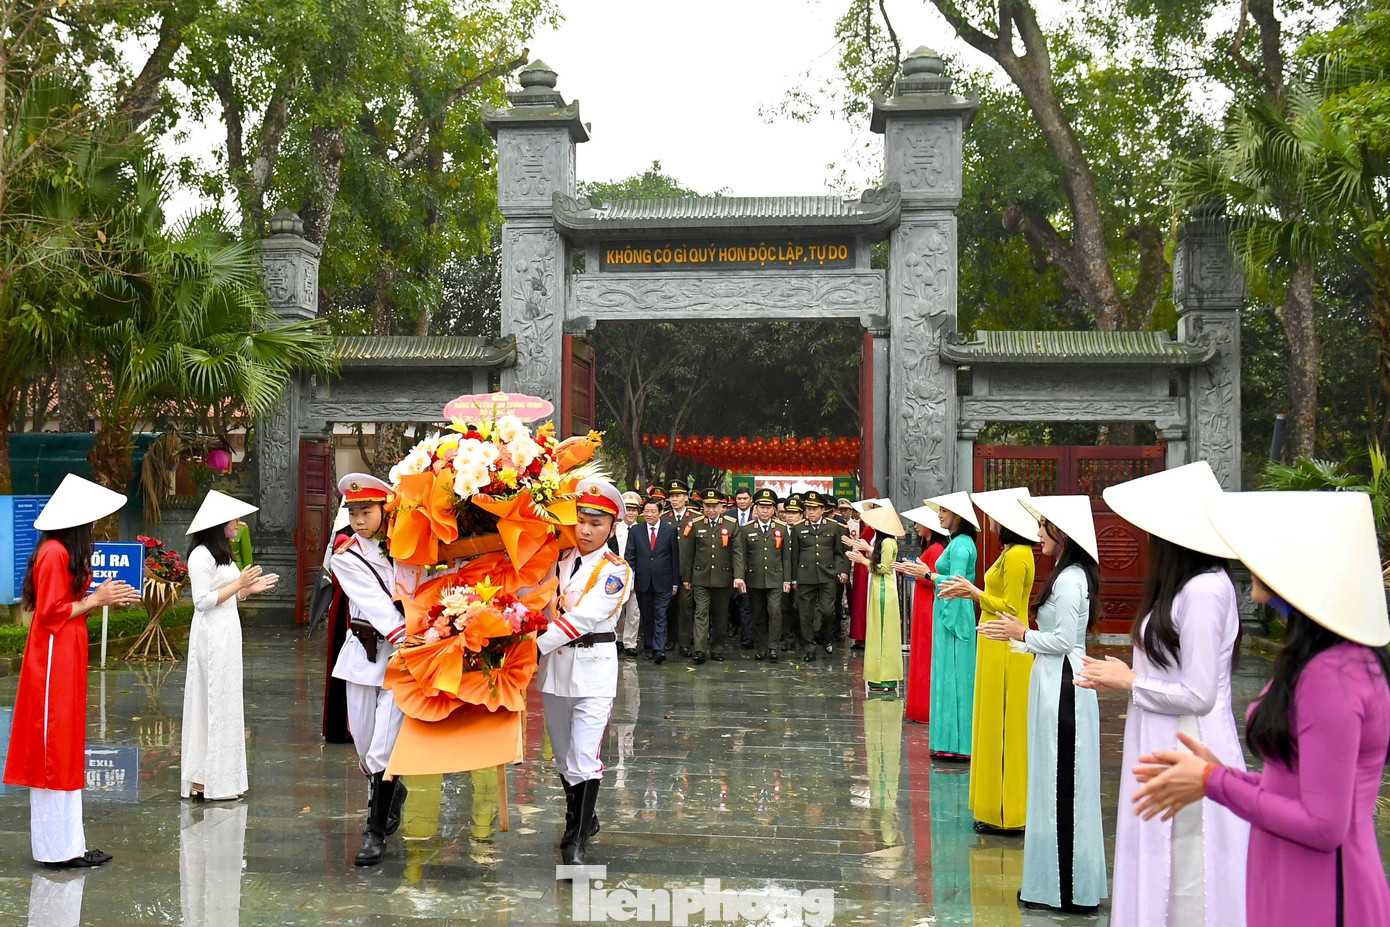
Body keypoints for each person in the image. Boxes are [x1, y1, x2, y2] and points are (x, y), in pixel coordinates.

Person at [1131, 490, 1390, 927]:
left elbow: (1324, 826)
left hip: (1321, 889)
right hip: (1289, 872)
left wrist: (1215, 781)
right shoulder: (1320, 659)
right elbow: (1299, 786)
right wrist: (1225, 775)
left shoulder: (1334, 674)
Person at [1076, 461, 1248, 927]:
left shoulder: (1206, 590)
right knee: (1158, 855)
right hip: (1159, 736)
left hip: (1188, 742)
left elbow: (1199, 693)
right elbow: (1172, 671)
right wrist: (1125, 675)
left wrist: (1130, 682)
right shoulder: (1183, 589)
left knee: (1187, 868)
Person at [4, 474, 140, 869]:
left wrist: (101, 596)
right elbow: (48, 615)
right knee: (52, 749)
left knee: (66, 747)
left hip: (66, 656)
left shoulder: (62, 552)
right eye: (93, 520)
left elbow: (68, 601)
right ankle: (54, 850)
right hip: (51, 662)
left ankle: (71, 845)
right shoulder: (53, 554)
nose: (96, 527)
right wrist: (96, 599)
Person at [980, 494, 1107, 913]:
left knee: (1061, 785)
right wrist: (1017, 640)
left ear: (1062, 532)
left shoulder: (1070, 580)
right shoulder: (1068, 573)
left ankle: (1065, 890)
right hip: (1055, 680)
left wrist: (1020, 634)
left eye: (1043, 526)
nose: (1038, 534)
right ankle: (1052, 883)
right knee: (1053, 782)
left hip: (1064, 689)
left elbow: (1063, 642)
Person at [538, 478, 632, 868]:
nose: (586, 530)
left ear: (612, 527)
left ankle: (574, 838)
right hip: (555, 670)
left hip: (593, 668)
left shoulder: (615, 571)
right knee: (562, 757)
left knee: (584, 756)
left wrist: (531, 646)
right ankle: (583, 816)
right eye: (580, 520)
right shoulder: (557, 561)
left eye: (596, 523)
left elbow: (583, 618)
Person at [942, 487, 1039, 835]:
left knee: (1005, 727)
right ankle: (994, 806)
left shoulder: (1018, 556)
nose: (992, 522)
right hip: (993, 639)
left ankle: (1009, 810)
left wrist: (975, 593)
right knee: (991, 723)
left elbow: (1013, 609)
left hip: (1006, 642)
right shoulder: (1011, 552)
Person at [328, 473, 409, 866]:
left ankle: (373, 833)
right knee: (362, 742)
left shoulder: (410, 548)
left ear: (384, 510)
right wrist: (405, 634)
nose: (359, 521)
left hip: (402, 658)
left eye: (367, 512)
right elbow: (376, 605)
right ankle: (392, 792)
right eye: (354, 513)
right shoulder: (345, 557)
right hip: (363, 653)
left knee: (382, 749)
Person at [182, 490, 278, 802]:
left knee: (225, 699)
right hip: (210, 633)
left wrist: (248, 590)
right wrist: (238, 585)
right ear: (219, 523)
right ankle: (202, 777)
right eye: (234, 519)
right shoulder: (200, 556)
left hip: (227, 630)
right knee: (210, 699)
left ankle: (224, 777)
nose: (239, 524)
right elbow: (201, 602)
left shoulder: (223, 555)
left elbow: (229, 595)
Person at [921, 492, 978, 758]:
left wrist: (927, 574)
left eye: (944, 510)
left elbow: (956, 584)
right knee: (947, 673)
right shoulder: (957, 543)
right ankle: (949, 742)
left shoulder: (963, 545)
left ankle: (957, 744)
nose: (940, 515)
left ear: (959, 517)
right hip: (948, 605)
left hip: (954, 610)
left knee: (954, 674)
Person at [896, 506, 948, 723]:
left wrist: (916, 571)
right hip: (923, 601)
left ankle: (924, 708)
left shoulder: (936, 549)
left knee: (925, 655)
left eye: (918, 523)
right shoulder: (933, 547)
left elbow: (935, 577)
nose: (915, 528)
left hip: (928, 603)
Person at [848, 500, 906, 693]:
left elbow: (883, 567)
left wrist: (863, 560)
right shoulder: (883, 542)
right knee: (876, 630)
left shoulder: (889, 542)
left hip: (884, 588)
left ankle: (886, 678)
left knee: (883, 631)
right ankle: (877, 676)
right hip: (877, 586)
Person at [789, 490, 849, 661]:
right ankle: (809, 647)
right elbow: (795, 555)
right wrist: (794, 578)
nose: (811, 512)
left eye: (814, 509)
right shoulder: (799, 528)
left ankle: (825, 635)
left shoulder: (833, 527)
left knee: (828, 611)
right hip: (805, 576)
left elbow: (840, 552)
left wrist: (841, 570)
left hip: (827, 575)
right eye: (808, 509)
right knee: (805, 614)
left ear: (822, 510)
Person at [733, 487, 790, 662]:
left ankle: (773, 647)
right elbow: (741, 555)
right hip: (754, 578)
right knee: (757, 614)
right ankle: (761, 647)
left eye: (768, 507)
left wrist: (787, 579)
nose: (765, 511)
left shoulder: (781, 528)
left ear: (774, 509)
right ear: (755, 508)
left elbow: (786, 557)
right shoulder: (746, 529)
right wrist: (740, 577)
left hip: (775, 578)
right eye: (761, 507)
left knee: (774, 611)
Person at [681, 489, 735, 664]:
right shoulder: (695, 524)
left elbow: (737, 553)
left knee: (720, 616)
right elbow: (689, 554)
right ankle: (700, 650)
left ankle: (717, 648)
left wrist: (738, 576)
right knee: (701, 613)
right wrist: (687, 578)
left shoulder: (731, 524)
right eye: (708, 506)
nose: (711, 510)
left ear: (721, 507)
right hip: (700, 577)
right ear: (703, 507)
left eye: (715, 506)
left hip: (723, 577)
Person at [624, 497, 679, 664]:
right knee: (647, 615)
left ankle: (659, 649)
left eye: (653, 511)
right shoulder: (636, 531)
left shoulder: (670, 530)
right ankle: (648, 647)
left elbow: (674, 558)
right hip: (642, 580)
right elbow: (630, 556)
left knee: (660, 614)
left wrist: (675, 582)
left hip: (664, 580)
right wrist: (630, 579)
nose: (649, 514)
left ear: (660, 513)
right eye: (646, 511)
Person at [663, 480, 696, 656]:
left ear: (686, 498)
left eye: (678, 496)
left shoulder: (695, 518)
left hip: (686, 571)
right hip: (667, 572)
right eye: (672, 496)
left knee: (686, 608)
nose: (674, 500)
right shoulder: (663, 518)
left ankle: (684, 642)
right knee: (668, 607)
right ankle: (669, 639)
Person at [846, 499, 881, 649]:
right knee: (862, 604)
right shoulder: (871, 529)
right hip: (864, 569)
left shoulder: (877, 530)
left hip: (869, 568)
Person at [612, 491, 644, 657]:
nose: (631, 513)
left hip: (636, 575)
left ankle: (630, 643)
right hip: (616, 575)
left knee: (634, 611)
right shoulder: (615, 528)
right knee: (617, 610)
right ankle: (618, 639)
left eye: (634, 509)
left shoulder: (641, 529)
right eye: (628, 509)